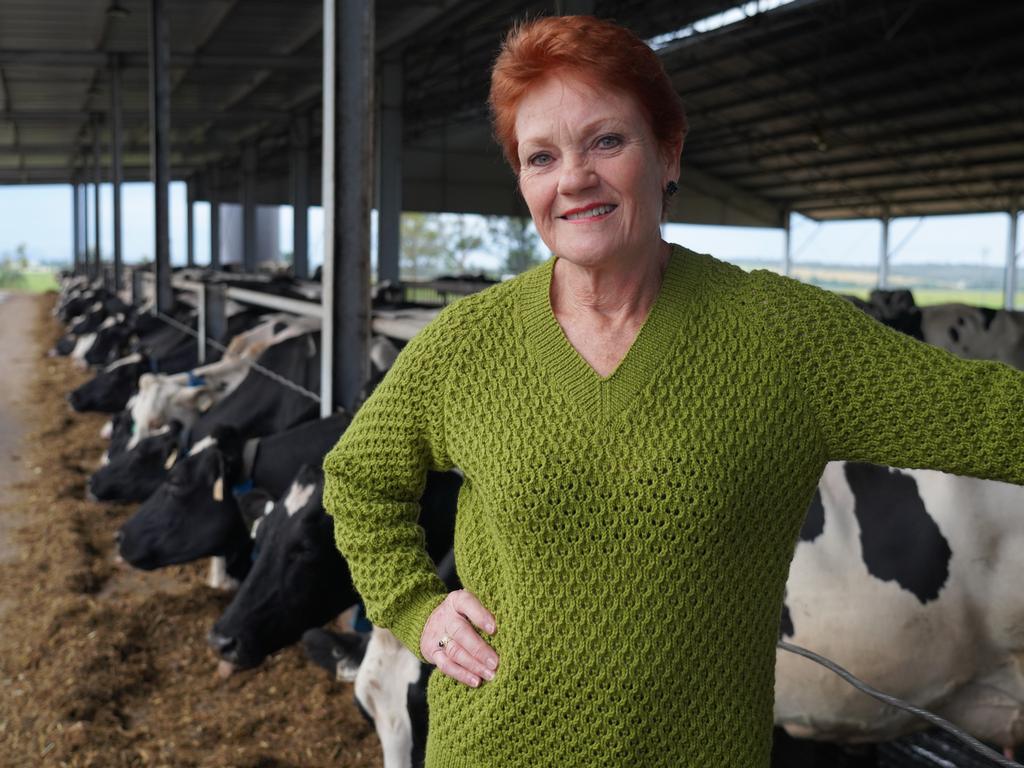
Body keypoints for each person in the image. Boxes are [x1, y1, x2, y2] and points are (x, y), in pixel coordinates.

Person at [323, 15, 1024, 767]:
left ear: (668, 152)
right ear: (523, 180)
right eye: (541, 156)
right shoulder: (468, 346)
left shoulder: (780, 336)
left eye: (607, 141)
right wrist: (414, 607)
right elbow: (358, 478)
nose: (573, 178)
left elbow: (994, 418)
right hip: (493, 747)